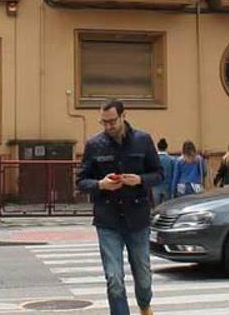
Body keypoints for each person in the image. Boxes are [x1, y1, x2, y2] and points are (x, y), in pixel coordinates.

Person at [76, 99, 162, 315]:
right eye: (103, 122)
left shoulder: (143, 140)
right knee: (114, 277)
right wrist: (100, 184)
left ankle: (145, 306)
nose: (108, 127)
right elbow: (81, 180)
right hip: (108, 219)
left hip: (137, 217)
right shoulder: (94, 144)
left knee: (143, 275)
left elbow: (159, 174)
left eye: (112, 121)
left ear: (123, 116)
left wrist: (140, 180)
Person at [153, 138, 177, 205]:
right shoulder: (171, 160)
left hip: (156, 186)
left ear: (157, 147)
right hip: (168, 186)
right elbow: (174, 174)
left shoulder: (154, 159)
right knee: (168, 207)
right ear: (166, 147)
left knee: (156, 207)